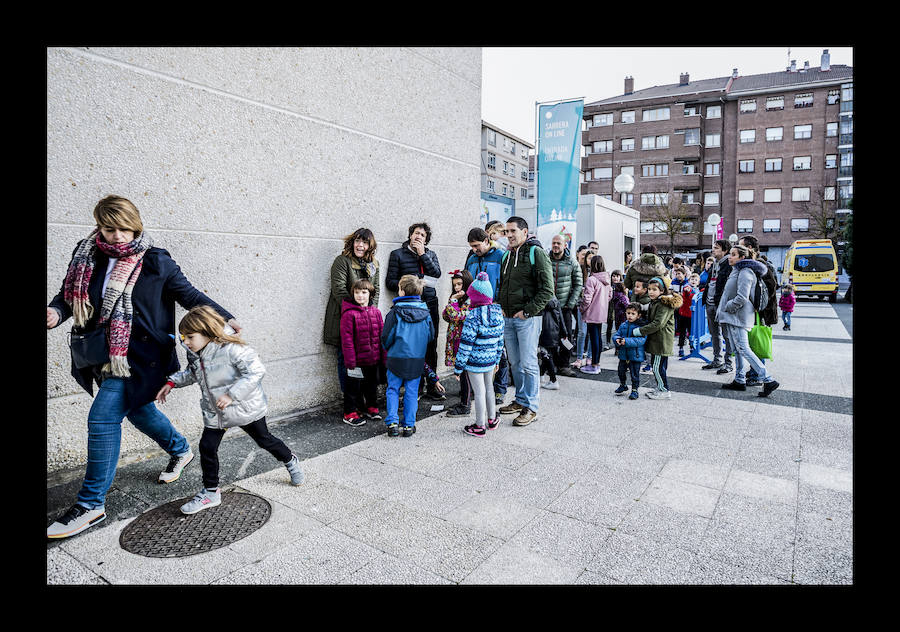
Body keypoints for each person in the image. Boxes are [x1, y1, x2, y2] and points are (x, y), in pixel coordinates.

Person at [47, 195, 241, 539]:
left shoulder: (155, 260)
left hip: (144, 354)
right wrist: (56, 312)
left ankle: (91, 504)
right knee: (138, 410)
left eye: (125, 228)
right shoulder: (86, 254)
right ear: (99, 228)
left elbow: (190, 295)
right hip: (103, 352)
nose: (118, 236)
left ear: (136, 225)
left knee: (103, 417)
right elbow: (68, 294)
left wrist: (226, 317)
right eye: (110, 229)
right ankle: (181, 449)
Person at [156, 307, 303, 515]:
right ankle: (211, 492)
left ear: (206, 331)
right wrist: (172, 383)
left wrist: (232, 394)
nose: (186, 342)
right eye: (183, 337)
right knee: (207, 447)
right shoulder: (198, 355)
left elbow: (256, 371)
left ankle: (290, 460)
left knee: (264, 439)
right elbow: (193, 374)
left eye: (190, 336)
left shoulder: (232, 349)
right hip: (217, 413)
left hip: (244, 407)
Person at [495, 216, 555, 427]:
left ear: (524, 231)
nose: (509, 235)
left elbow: (547, 289)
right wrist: (501, 306)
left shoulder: (535, 253)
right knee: (515, 363)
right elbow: (502, 286)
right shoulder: (506, 256)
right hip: (508, 318)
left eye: (513, 231)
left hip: (527, 319)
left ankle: (532, 406)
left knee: (529, 363)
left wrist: (527, 312)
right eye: (507, 232)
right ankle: (520, 400)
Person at [385, 222, 444, 400]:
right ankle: (416, 387)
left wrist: (422, 255)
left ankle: (432, 384)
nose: (419, 236)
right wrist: (412, 286)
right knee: (413, 347)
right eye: (416, 233)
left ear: (426, 240)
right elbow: (390, 282)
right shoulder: (397, 255)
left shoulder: (430, 254)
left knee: (430, 344)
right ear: (410, 235)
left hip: (430, 304)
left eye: (422, 235)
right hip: (409, 307)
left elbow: (436, 274)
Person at [716, 245, 780, 397]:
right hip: (734, 316)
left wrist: (728, 306)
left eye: (733, 255)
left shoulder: (745, 272)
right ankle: (739, 380)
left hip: (739, 316)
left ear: (742, 258)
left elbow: (742, 297)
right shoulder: (737, 270)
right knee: (738, 349)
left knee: (743, 348)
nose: (729, 257)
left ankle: (768, 379)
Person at [323, 228, 380, 393]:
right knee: (346, 359)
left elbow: (374, 291)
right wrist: (357, 313)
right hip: (344, 318)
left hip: (366, 322)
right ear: (352, 242)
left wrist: (370, 315)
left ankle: (364, 401)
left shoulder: (374, 264)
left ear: (370, 245)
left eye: (364, 242)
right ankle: (350, 403)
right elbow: (339, 290)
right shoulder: (342, 261)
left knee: (365, 361)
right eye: (357, 241)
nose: (360, 245)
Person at [381, 275, 435, 437]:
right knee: (412, 392)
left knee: (392, 389)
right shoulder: (426, 313)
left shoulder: (395, 312)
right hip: (416, 359)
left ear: (402, 291)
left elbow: (386, 336)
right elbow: (431, 335)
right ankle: (409, 425)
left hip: (396, 357)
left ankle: (392, 423)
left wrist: (389, 348)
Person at [453, 272, 505, 437]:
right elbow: (500, 342)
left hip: (474, 362)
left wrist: (458, 368)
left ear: (474, 297)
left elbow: (465, 345)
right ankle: (492, 419)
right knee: (489, 388)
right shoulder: (498, 314)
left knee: (479, 392)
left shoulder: (472, 317)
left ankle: (479, 425)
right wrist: (497, 360)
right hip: (490, 360)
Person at [464, 228, 508, 403]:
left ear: (486, 240)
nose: (474, 249)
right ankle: (480, 389)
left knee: (499, 350)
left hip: (496, 307)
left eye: (476, 245)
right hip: (475, 309)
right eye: (471, 246)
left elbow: (506, 282)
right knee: (478, 349)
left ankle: (500, 388)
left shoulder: (501, 256)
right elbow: (467, 281)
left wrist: (502, 304)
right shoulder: (472, 259)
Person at [339, 279, 385, 426]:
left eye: (364, 292)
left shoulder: (376, 312)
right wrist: (350, 361)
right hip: (356, 361)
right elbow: (347, 340)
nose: (360, 296)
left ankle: (371, 407)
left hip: (373, 359)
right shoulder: (349, 314)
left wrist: (383, 356)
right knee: (353, 387)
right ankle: (350, 412)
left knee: (371, 385)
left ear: (370, 295)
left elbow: (381, 336)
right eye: (357, 292)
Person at [632, 276, 682, 399]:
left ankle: (664, 390)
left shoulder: (663, 304)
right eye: (649, 289)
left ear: (662, 291)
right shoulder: (656, 302)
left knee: (657, 367)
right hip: (658, 340)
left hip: (661, 341)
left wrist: (639, 331)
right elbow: (649, 312)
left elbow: (658, 323)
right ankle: (660, 387)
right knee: (659, 367)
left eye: (654, 289)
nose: (651, 292)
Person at [547, 234, 583, 375]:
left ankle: (564, 365)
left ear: (565, 245)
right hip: (549, 307)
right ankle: (552, 364)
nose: (555, 245)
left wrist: (570, 303)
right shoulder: (546, 260)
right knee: (549, 336)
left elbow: (578, 284)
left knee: (567, 336)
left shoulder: (572, 262)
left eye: (558, 243)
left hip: (565, 307)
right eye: (554, 243)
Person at [443, 269, 474, 417]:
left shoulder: (470, 301)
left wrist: (453, 302)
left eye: (460, 284)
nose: (457, 288)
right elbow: (446, 315)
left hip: (464, 342)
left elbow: (457, 316)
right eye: (455, 285)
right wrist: (452, 301)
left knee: (466, 373)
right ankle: (463, 401)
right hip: (456, 341)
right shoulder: (458, 299)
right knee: (462, 373)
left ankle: (465, 406)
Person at [702, 239, 735, 374]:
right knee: (714, 333)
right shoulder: (714, 263)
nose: (713, 250)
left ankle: (728, 363)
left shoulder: (729, 264)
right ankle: (717, 359)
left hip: (721, 305)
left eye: (716, 248)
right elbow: (710, 283)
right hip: (710, 303)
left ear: (724, 250)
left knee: (726, 335)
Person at [578, 255, 611, 375]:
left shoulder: (592, 279)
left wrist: (581, 309)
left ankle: (594, 366)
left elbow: (587, 299)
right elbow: (609, 295)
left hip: (592, 312)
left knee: (594, 338)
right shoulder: (606, 279)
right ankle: (597, 363)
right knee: (598, 338)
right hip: (602, 312)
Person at [613, 303, 647, 400]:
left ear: (638, 315)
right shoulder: (623, 325)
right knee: (621, 371)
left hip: (635, 355)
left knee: (634, 374)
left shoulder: (641, 326)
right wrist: (617, 339)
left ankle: (635, 390)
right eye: (628, 313)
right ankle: (623, 385)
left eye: (633, 314)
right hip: (623, 354)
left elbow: (641, 340)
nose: (630, 316)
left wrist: (626, 341)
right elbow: (616, 334)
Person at [538, 296, 568, 390]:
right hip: (555, 331)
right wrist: (564, 332)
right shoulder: (555, 300)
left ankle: (553, 380)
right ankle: (541, 375)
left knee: (546, 355)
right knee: (548, 354)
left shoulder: (540, 300)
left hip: (544, 330)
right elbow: (561, 318)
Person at [572, 248, 591, 368]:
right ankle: (579, 357)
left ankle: (589, 357)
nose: (587, 259)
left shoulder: (597, 272)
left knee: (591, 332)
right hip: (581, 305)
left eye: (589, 257)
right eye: (585, 256)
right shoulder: (579, 270)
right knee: (582, 332)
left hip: (593, 306)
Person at [677, 273, 700, 357]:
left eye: (695, 280)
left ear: (698, 282)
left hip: (692, 316)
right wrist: (688, 290)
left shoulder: (697, 289)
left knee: (691, 333)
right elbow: (688, 292)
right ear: (689, 280)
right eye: (692, 279)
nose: (693, 281)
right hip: (684, 314)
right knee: (682, 332)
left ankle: (691, 347)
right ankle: (681, 348)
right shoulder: (687, 287)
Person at [605, 269, 624, 349]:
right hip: (610, 308)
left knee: (618, 327)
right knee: (609, 326)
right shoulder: (609, 286)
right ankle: (607, 342)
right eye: (613, 276)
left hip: (618, 309)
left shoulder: (622, 286)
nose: (615, 278)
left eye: (617, 276)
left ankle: (618, 343)